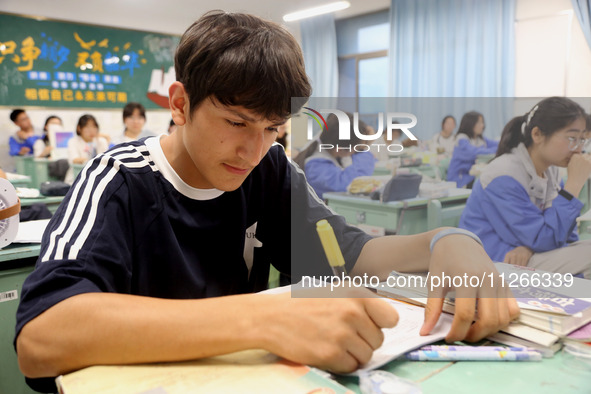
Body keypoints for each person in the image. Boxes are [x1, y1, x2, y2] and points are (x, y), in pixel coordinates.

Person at [15, 12, 518, 393]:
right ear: (180, 104)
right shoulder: (119, 180)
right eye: (237, 123)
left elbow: (347, 253)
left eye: (274, 129)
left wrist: (446, 241)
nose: (254, 151)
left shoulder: (270, 168)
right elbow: (40, 337)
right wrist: (261, 319)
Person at [459, 97, 591, 278]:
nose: (578, 150)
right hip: (496, 262)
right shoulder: (503, 175)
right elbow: (544, 237)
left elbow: (565, 235)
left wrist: (530, 246)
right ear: (537, 135)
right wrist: (574, 185)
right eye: (572, 138)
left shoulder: (550, 171)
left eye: (582, 140)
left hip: (532, 254)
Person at [298, 113, 375, 198]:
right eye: (357, 147)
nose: (355, 152)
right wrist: (363, 149)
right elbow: (355, 183)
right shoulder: (315, 167)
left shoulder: (330, 154)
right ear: (340, 149)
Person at [447, 111, 498, 188]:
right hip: (460, 179)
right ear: (471, 124)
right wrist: (496, 150)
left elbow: (498, 144)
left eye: (482, 123)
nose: (482, 126)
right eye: (479, 123)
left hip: (472, 176)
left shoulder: (480, 139)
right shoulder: (461, 139)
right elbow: (474, 152)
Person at [65, 115, 108, 183]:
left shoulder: (101, 141)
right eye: (87, 127)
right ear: (79, 128)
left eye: (94, 126)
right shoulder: (73, 141)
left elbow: (106, 159)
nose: (91, 130)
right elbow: (75, 160)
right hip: (77, 177)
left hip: (98, 178)